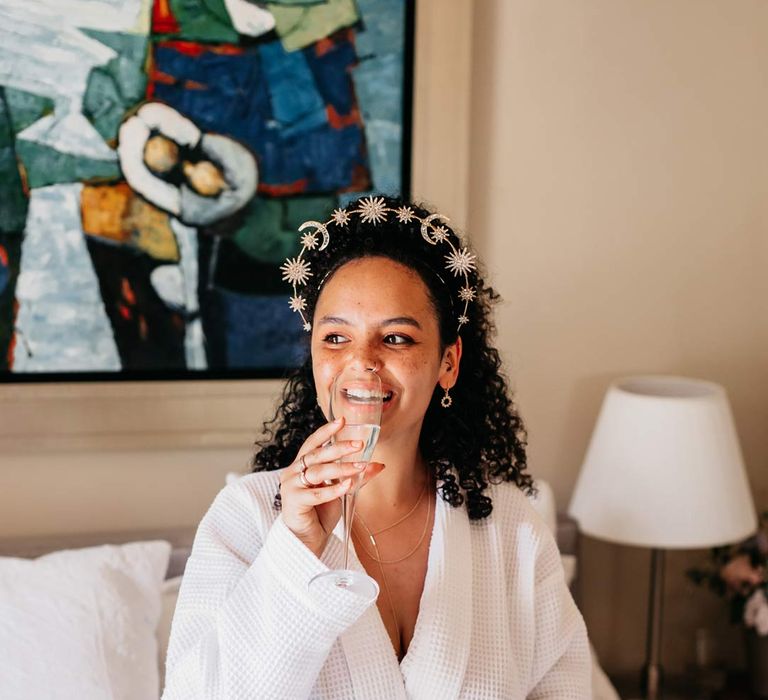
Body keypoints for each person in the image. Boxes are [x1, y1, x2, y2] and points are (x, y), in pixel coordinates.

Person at [162, 195, 592, 699]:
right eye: (336, 338)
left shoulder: (511, 528)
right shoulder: (248, 517)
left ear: (448, 362)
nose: (361, 362)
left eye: (396, 339)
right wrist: (298, 549)